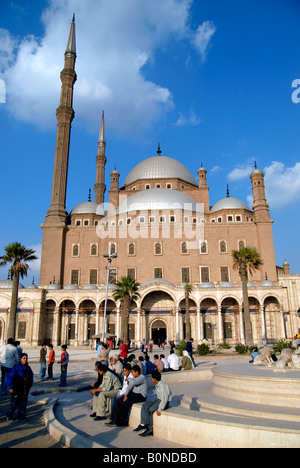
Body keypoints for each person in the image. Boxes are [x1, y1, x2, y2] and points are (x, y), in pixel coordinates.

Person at [134, 370, 172, 437]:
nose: (151, 379)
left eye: (152, 378)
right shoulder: (157, 385)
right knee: (145, 405)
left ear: (155, 379)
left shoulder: (163, 386)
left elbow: (164, 399)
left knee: (151, 409)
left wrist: (160, 409)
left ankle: (150, 429)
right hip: (158, 399)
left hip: (163, 402)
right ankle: (143, 423)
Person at [6, 353, 34, 421]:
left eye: (26, 358)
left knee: (23, 402)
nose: (25, 360)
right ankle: (9, 415)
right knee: (14, 402)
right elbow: (10, 377)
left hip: (24, 388)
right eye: (24, 358)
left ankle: (22, 416)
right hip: (16, 388)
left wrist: (29, 385)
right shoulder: (16, 368)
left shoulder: (28, 368)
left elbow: (31, 377)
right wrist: (11, 387)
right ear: (20, 359)